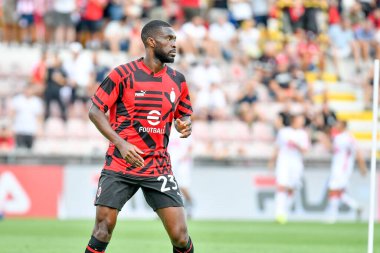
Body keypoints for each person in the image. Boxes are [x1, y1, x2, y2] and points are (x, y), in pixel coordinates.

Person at [85, 20, 194, 253]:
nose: (175, 45)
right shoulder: (122, 74)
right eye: (169, 39)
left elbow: (184, 114)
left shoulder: (178, 80)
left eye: (175, 40)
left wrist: (185, 125)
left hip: (158, 166)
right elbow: (95, 110)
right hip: (120, 163)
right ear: (151, 42)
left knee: (181, 237)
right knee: (103, 229)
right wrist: (121, 144)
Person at [269, 114, 310, 224]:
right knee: (281, 186)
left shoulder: (303, 134)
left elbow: (305, 150)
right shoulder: (284, 132)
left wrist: (297, 145)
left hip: (296, 163)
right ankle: (278, 213)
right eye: (300, 120)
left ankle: (284, 211)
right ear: (294, 120)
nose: (301, 122)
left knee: (292, 188)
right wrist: (272, 160)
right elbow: (277, 147)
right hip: (283, 162)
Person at [325, 120, 367, 223]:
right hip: (336, 167)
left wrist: (362, 166)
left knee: (333, 190)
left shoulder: (348, 138)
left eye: (337, 124)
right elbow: (333, 150)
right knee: (336, 191)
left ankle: (332, 217)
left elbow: (357, 151)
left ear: (343, 126)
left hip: (343, 169)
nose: (335, 126)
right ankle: (356, 206)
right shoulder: (338, 138)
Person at [168, 125, 194, 218]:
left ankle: (190, 206)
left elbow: (191, 148)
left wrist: (185, 157)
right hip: (170, 164)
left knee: (183, 187)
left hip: (183, 164)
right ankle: (166, 212)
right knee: (169, 188)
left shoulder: (186, 132)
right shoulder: (169, 131)